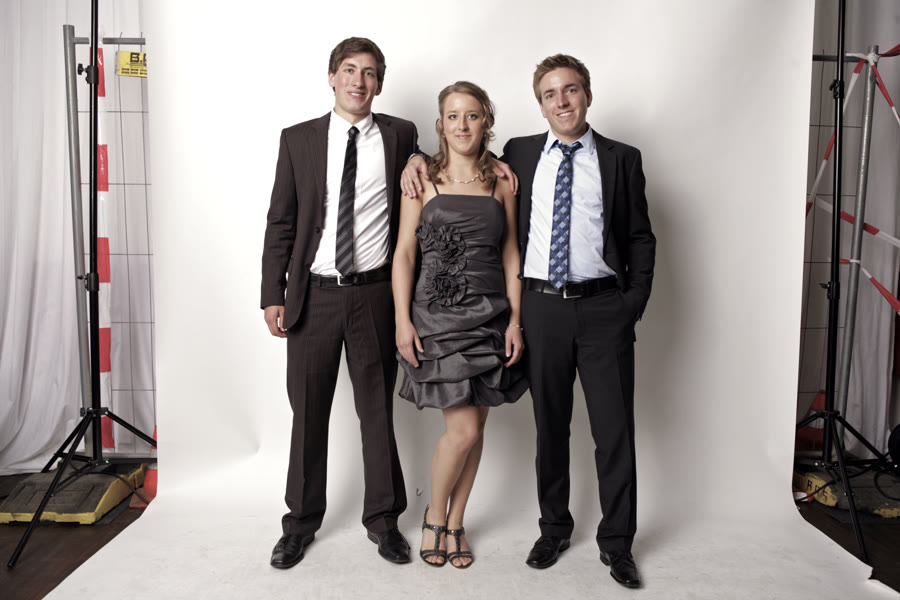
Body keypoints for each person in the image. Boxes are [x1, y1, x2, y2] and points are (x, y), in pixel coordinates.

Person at [403, 54, 655, 588]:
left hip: (603, 308)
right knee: (551, 427)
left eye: (571, 90)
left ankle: (617, 544)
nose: (561, 101)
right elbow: (456, 154)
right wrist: (413, 160)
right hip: (540, 308)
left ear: (587, 95)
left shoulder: (621, 159)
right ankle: (553, 529)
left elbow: (639, 237)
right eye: (549, 94)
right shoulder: (519, 154)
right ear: (539, 104)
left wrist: (630, 303)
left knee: (614, 430)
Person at [260, 37, 417, 569]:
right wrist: (273, 293)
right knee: (308, 415)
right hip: (314, 296)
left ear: (380, 83)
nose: (358, 81)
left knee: (377, 413)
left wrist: (486, 165)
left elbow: (439, 164)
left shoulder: (400, 135)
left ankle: (385, 521)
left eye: (369, 73)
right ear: (332, 77)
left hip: (374, 294)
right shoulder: (298, 139)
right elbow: (281, 220)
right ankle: (300, 524)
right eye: (349, 70)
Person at [392, 81, 528, 568]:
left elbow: (511, 252)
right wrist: (402, 320)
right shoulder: (421, 179)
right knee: (463, 430)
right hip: (438, 317)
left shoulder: (500, 181)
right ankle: (433, 516)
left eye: (472, 115)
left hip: (491, 315)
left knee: (478, 424)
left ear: (485, 121)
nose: (462, 125)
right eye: (453, 116)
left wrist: (515, 320)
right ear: (441, 124)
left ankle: (455, 522)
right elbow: (404, 254)